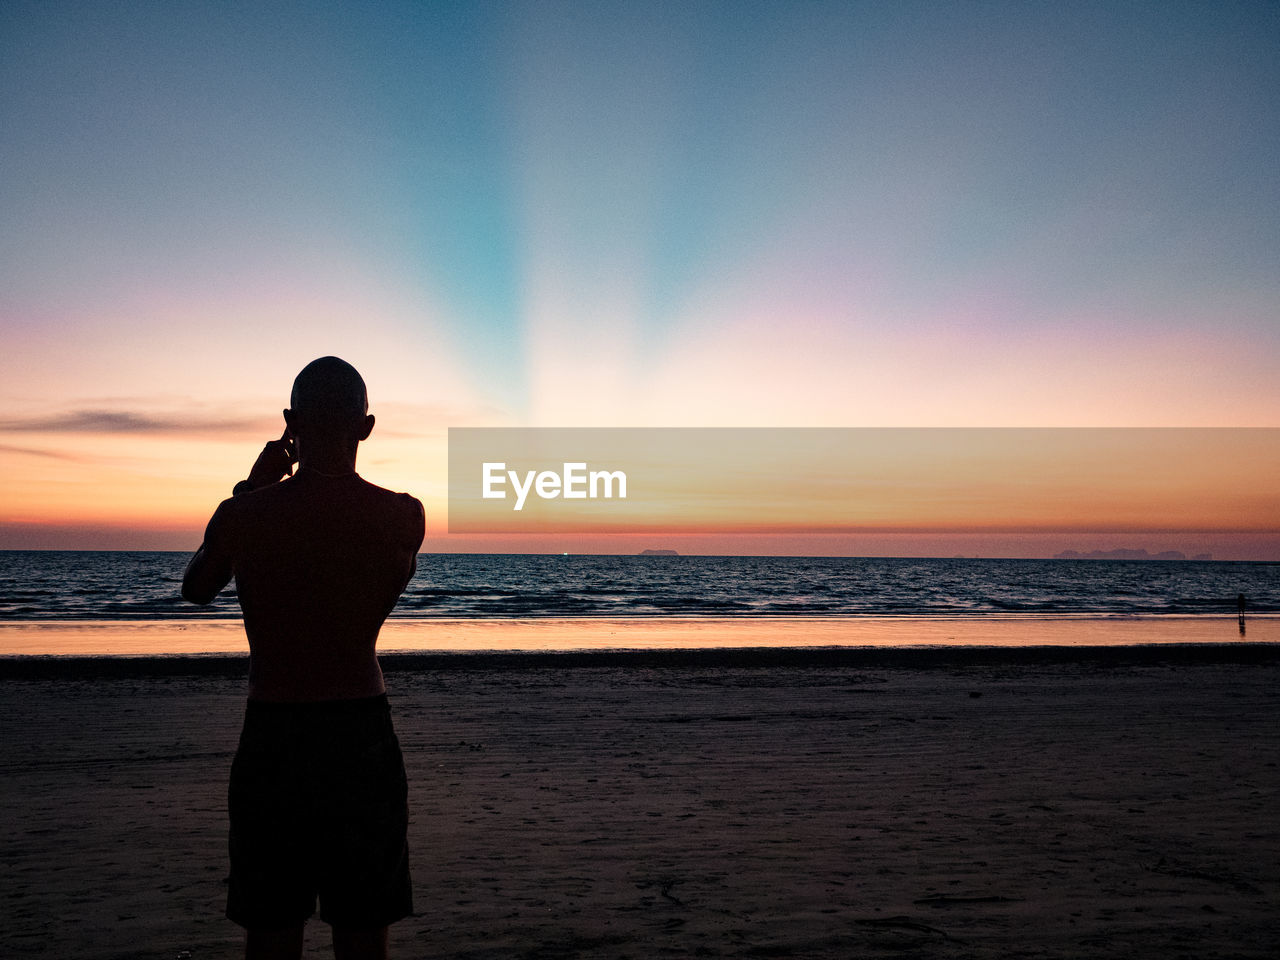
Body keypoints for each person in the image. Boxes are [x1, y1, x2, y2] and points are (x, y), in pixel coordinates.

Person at [182, 357, 425, 960]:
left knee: (271, 928)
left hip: (274, 731)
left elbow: (196, 586)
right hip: (361, 729)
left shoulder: (245, 516)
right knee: (363, 929)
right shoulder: (402, 516)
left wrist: (252, 489)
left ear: (289, 424)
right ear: (365, 427)